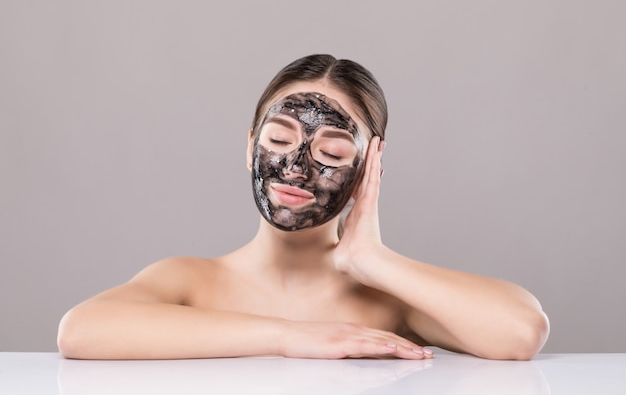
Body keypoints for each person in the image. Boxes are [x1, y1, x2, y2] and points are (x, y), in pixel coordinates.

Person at [57, 54, 550, 361]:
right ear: (250, 146)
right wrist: (291, 337)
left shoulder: (384, 300)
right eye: (278, 138)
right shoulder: (191, 280)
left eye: (332, 154)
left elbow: (521, 331)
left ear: (368, 167)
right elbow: (81, 331)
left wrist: (373, 260)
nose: (295, 168)